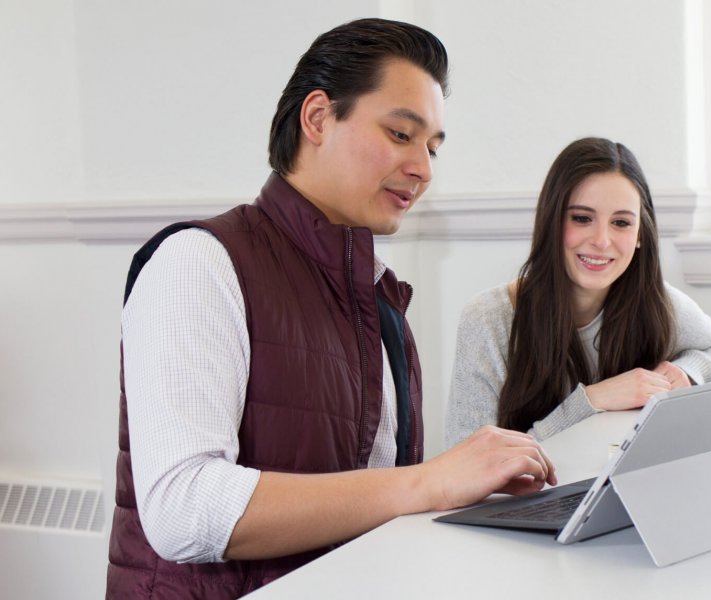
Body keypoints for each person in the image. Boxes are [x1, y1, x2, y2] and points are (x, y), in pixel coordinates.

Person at [107, 18, 556, 599]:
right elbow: (182, 509)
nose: (423, 167)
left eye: (433, 148)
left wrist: (471, 489)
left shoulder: (379, 296)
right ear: (318, 118)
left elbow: (374, 498)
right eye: (401, 134)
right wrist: (428, 483)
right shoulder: (198, 262)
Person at [445, 137, 711, 447]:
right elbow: (466, 464)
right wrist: (593, 400)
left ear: (640, 234)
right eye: (582, 218)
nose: (601, 240)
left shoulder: (656, 301)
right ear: (552, 222)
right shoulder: (489, 319)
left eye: (621, 222)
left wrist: (683, 372)